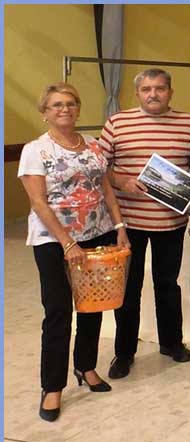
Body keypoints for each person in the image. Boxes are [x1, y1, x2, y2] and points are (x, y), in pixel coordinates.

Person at [18, 82, 131, 421]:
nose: (64, 109)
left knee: (92, 306)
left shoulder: (94, 145)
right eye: (56, 105)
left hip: (97, 234)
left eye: (70, 103)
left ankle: (85, 366)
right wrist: (68, 243)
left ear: (78, 109)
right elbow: (38, 202)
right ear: (44, 113)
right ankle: (52, 386)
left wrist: (120, 227)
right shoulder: (36, 150)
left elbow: (106, 190)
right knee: (58, 311)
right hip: (54, 241)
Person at [98, 68, 190, 379]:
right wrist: (122, 181)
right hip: (127, 223)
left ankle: (172, 343)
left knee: (168, 284)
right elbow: (100, 168)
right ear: (137, 93)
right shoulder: (117, 123)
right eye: (146, 89)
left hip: (171, 221)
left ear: (170, 91)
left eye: (159, 88)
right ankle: (124, 353)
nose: (153, 94)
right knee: (129, 288)